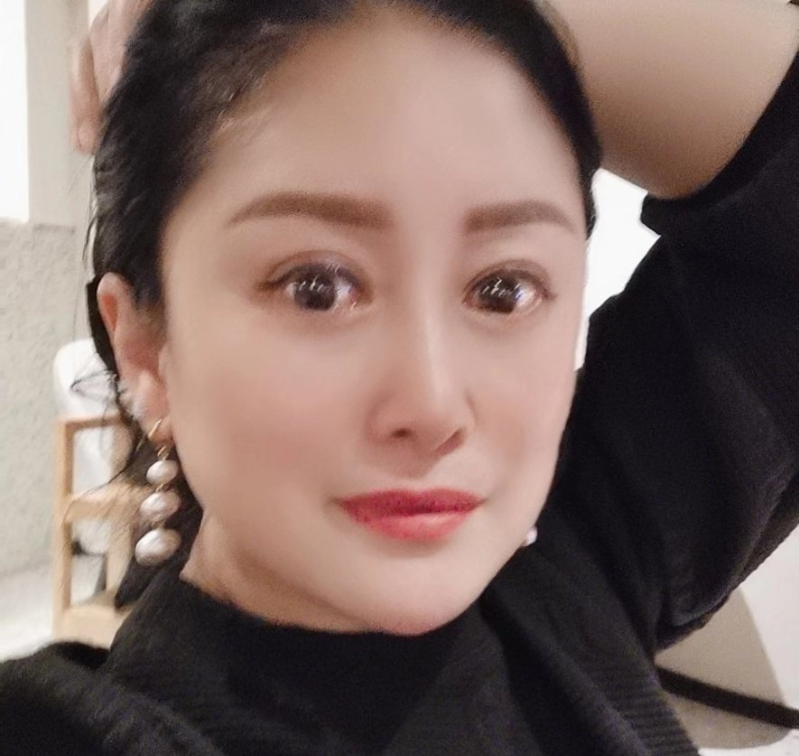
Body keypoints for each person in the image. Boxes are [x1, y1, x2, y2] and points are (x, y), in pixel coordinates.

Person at [2, 0, 798, 753]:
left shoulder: (578, 563)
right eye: (315, 288)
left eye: (502, 290)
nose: (431, 404)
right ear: (144, 347)